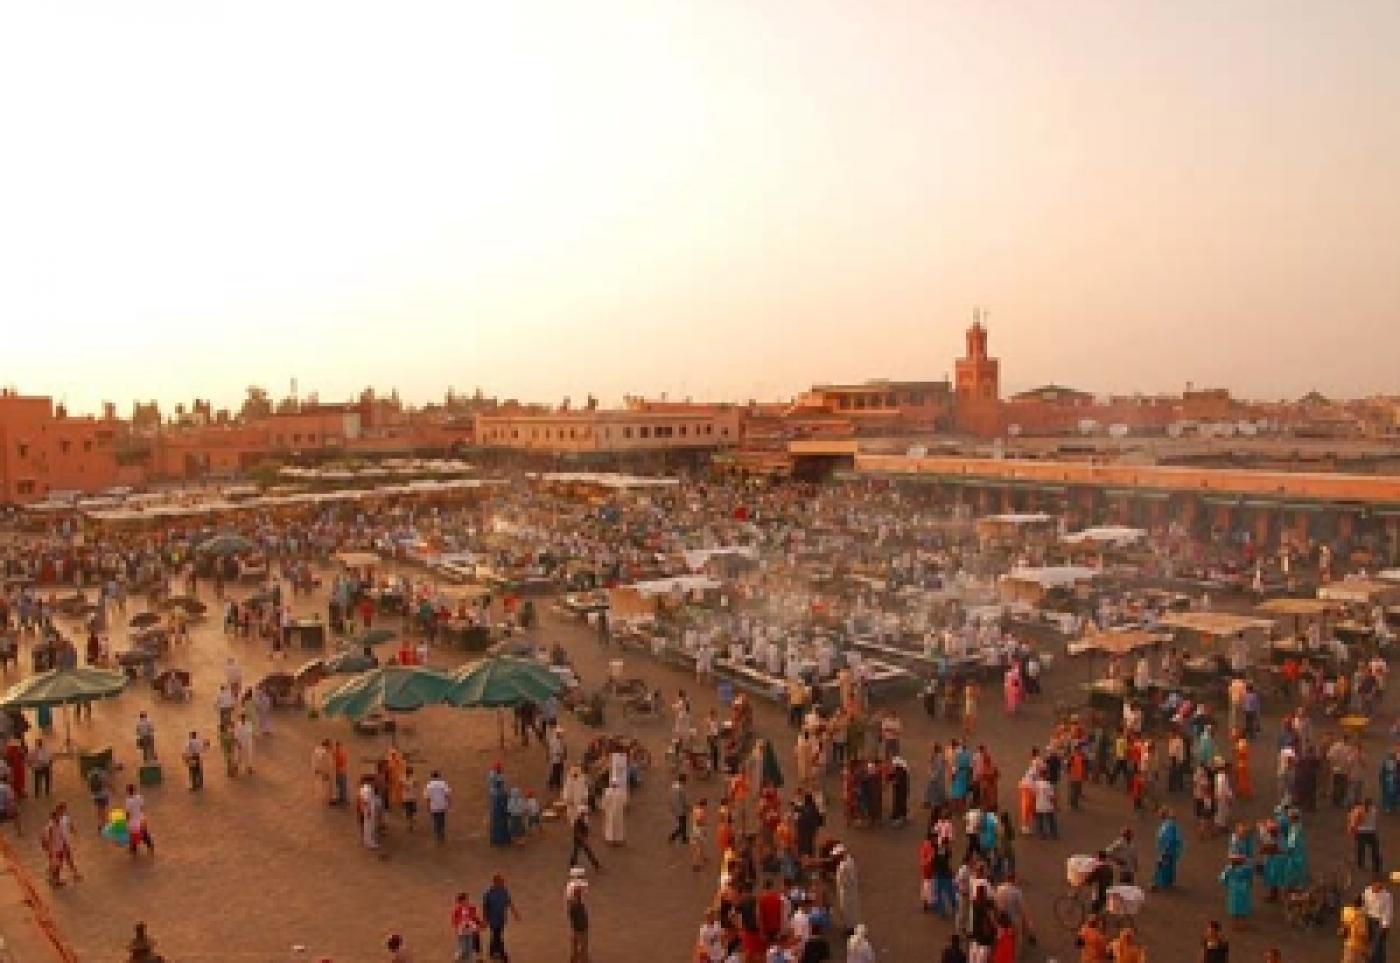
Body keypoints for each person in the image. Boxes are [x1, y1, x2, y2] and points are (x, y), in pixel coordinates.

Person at [482, 873, 521, 962]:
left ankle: (494, 950)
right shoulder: (488, 893)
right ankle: (500, 952)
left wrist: (515, 913)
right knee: (497, 935)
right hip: (492, 918)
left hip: (501, 918)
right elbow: (485, 907)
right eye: (501, 882)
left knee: (497, 934)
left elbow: (509, 902)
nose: (502, 884)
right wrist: (485, 919)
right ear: (495, 882)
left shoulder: (504, 891)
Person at [1219, 852, 1253, 927]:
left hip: (1235, 889)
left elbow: (1222, 879)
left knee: (1236, 907)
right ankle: (1240, 923)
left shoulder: (1229, 868)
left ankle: (1237, 923)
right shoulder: (1246, 868)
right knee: (1240, 906)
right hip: (1240, 889)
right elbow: (1250, 878)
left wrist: (1227, 883)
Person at [1362, 875, 1391, 963]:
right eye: (1375, 886)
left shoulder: (1386, 896)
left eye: (1379, 887)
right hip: (1369, 920)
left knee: (1378, 945)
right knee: (1369, 942)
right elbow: (1365, 906)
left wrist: (1384, 926)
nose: (1377, 889)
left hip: (1380, 923)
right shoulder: (1367, 892)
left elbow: (1387, 912)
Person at [1152, 809, 1183, 890]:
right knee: (1168, 866)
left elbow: (1170, 839)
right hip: (1168, 850)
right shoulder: (1169, 825)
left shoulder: (1169, 826)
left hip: (1167, 850)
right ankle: (1166, 882)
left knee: (1162, 865)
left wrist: (1164, 850)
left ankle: (1159, 883)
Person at [565, 867, 590, 963]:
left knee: (575, 934)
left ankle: (574, 957)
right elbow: (577, 894)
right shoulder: (578, 886)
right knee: (583, 936)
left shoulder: (569, 886)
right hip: (578, 909)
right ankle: (583, 958)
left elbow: (568, 901)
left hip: (572, 910)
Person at [451, 891, 482, 962]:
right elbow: (454, 921)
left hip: (470, 931)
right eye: (465, 900)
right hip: (461, 932)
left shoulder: (472, 908)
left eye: (467, 899)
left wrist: (477, 926)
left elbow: (476, 918)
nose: (467, 901)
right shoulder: (457, 910)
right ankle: (460, 955)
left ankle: (470, 959)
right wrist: (461, 924)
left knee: (470, 946)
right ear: (460, 901)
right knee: (463, 946)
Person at [1341, 894, 1370, 963]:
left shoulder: (1346, 911)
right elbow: (1363, 934)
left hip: (1348, 944)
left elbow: (1343, 927)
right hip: (1358, 946)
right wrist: (1366, 949)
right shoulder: (1362, 917)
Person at [425, 770, 451, 843]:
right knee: (442, 819)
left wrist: (428, 806)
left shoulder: (429, 785)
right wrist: (448, 803)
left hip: (433, 805)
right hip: (442, 805)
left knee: (435, 820)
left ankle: (437, 833)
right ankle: (441, 832)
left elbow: (427, 797)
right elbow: (447, 794)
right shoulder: (443, 784)